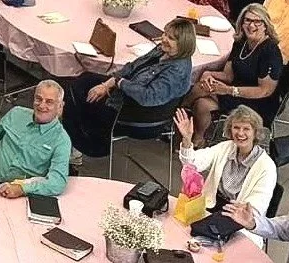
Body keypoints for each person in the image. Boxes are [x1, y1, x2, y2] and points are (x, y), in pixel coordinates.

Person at [62, 17, 196, 159]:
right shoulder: (161, 50)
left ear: (183, 45)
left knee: (78, 98)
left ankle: (82, 144)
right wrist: (108, 83)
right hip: (127, 92)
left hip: (139, 115)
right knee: (83, 81)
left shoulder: (177, 71)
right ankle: (75, 140)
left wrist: (119, 83)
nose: (163, 39)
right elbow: (132, 66)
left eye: (171, 38)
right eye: (165, 33)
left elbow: (147, 97)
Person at [182, 3, 283, 140]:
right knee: (201, 102)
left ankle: (177, 114)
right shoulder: (241, 42)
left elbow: (265, 91)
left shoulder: (270, 51)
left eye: (257, 21)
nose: (251, 25)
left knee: (201, 90)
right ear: (241, 23)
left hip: (258, 101)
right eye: (247, 20)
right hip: (235, 88)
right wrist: (209, 74)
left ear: (265, 25)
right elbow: (228, 75)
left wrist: (228, 90)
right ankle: (197, 137)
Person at [174, 107, 276, 239]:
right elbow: (192, 163)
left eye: (246, 129)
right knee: (182, 233)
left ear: (255, 132)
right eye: (236, 127)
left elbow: (256, 208)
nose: (240, 133)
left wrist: (224, 219)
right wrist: (187, 139)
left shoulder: (266, 167)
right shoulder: (226, 147)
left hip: (238, 220)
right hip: (210, 206)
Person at [0, 80, 71, 194]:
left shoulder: (61, 140)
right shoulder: (16, 113)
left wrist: (22, 190)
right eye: (38, 99)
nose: (42, 105)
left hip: (16, 193)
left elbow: (57, 182)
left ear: (60, 106)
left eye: (49, 102)